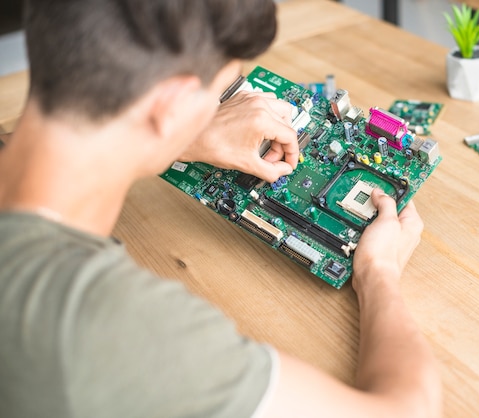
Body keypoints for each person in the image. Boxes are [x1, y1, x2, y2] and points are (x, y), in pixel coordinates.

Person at [0, 0, 441, 417]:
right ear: (170, 105)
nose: (227, 101)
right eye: (224, 91)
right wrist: (377, 272)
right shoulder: (102, 324)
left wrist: (180, 136)